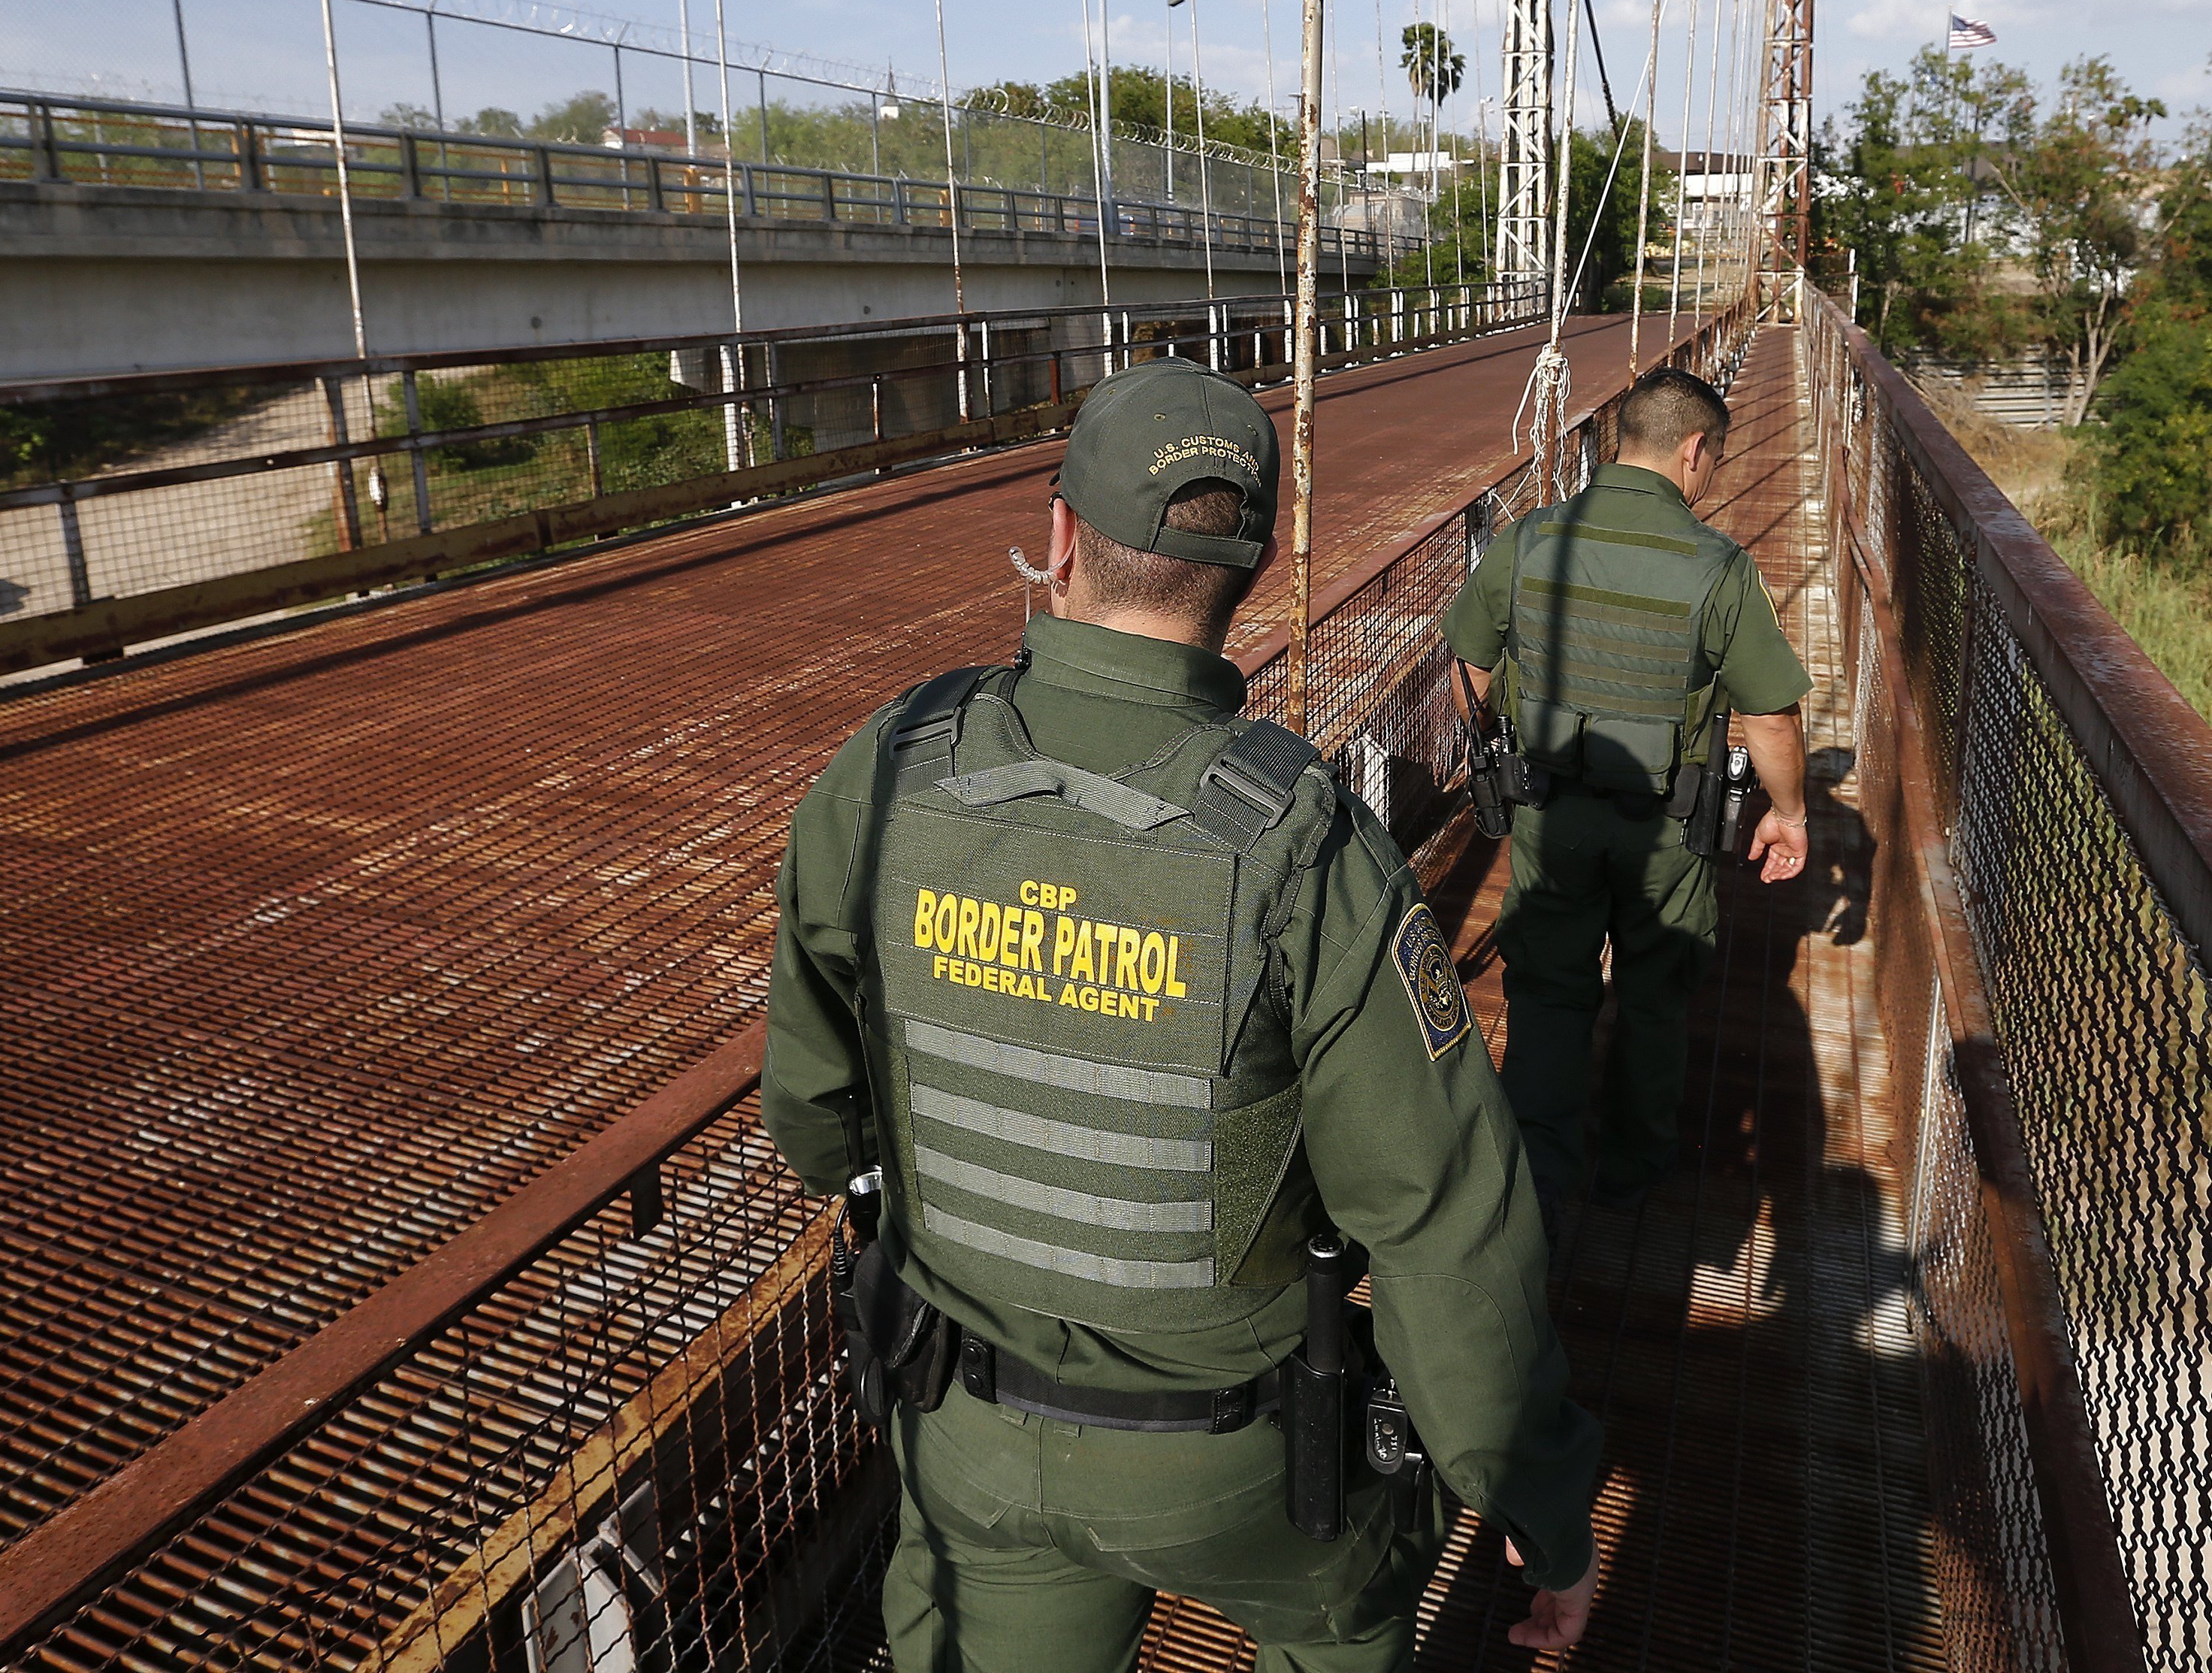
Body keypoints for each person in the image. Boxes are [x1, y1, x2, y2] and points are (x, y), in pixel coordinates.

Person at [763, 358, 1603, 1673]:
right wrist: (1546, 1514)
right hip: (1252, 1464)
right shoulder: (1303, 844)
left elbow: (814, 1118)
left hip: (965, 1427)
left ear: (1056, 545)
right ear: (1251, 574)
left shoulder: (888, 770)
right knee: (1346, 1613)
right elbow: (1447, 1232)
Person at [1443, 364, 1812, 1227]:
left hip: (1549, 811)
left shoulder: (1532, 538)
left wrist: (1518, 732)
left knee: (1549, 988)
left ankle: (1538, 1172)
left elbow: (1470, 661)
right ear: (1694, 451)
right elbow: (1771, 717)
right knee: (1655, 994)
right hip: (1669, 829)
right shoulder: (1721, 567)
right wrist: (1789, 814)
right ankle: (1636, 1169)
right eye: (1713, 460)